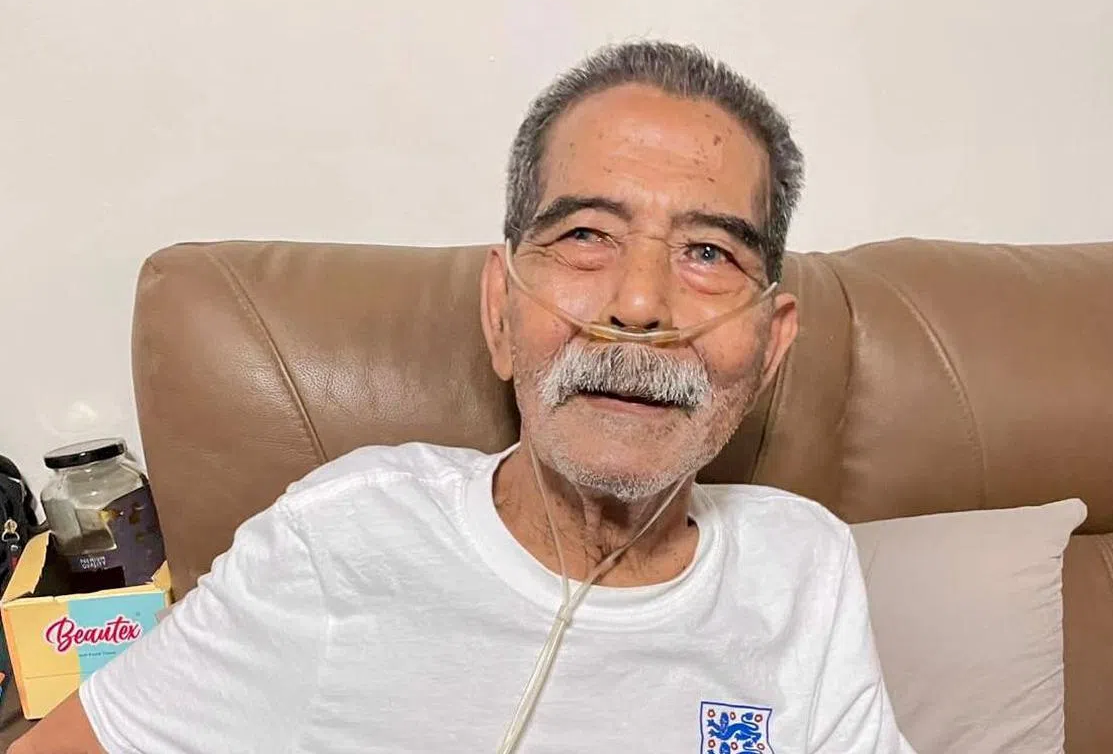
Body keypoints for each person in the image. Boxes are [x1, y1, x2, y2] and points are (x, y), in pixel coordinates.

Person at [13, 41, 914, 753]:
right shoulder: (341, 540)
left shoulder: (805, 567)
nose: (639, 305)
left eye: (709, 253)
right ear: (499, 310)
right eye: (585, 235)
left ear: (771, 346)